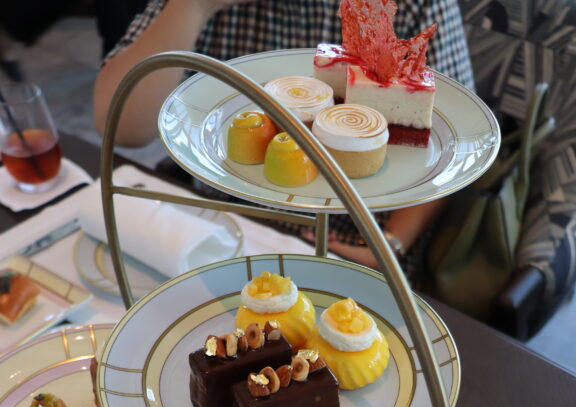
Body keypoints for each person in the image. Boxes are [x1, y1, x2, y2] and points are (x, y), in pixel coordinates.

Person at [93, 0, 474, 286]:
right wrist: (193, 7)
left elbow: (454, 140)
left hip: (354, 239)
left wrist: (389, 244)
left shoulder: (415, 4)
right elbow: (121, 126)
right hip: (227, 221)